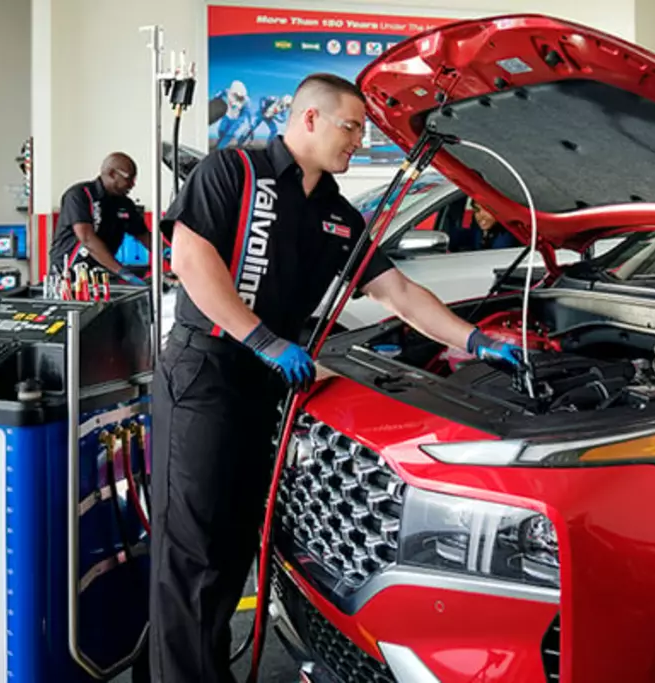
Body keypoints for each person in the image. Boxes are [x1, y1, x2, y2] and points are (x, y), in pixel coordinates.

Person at [148, 73, 523, 682]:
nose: (358, 140)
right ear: (310, 119)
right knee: (193, 553)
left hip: (262, 392)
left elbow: (399, 292)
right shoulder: (232, 171)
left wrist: (475, 339)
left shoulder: (338, 217)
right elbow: (191, 260)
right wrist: (264, 339)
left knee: (235, 548)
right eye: (351, 127)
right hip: (204, 377)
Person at [49, 152, 154, 285]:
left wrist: (169, 253)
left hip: (99, 276)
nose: (132, 184)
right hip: (68, 278)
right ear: (112, 174)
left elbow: (144, 235)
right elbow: (87, 238)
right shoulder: (79, 196)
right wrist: (123, 272)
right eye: (129, 178)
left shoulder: (124, 204)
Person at [451, 198, 519, 252]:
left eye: (487, 210)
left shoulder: (504, 239)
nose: (481, 216)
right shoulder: (479, 232)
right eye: (477, 210)